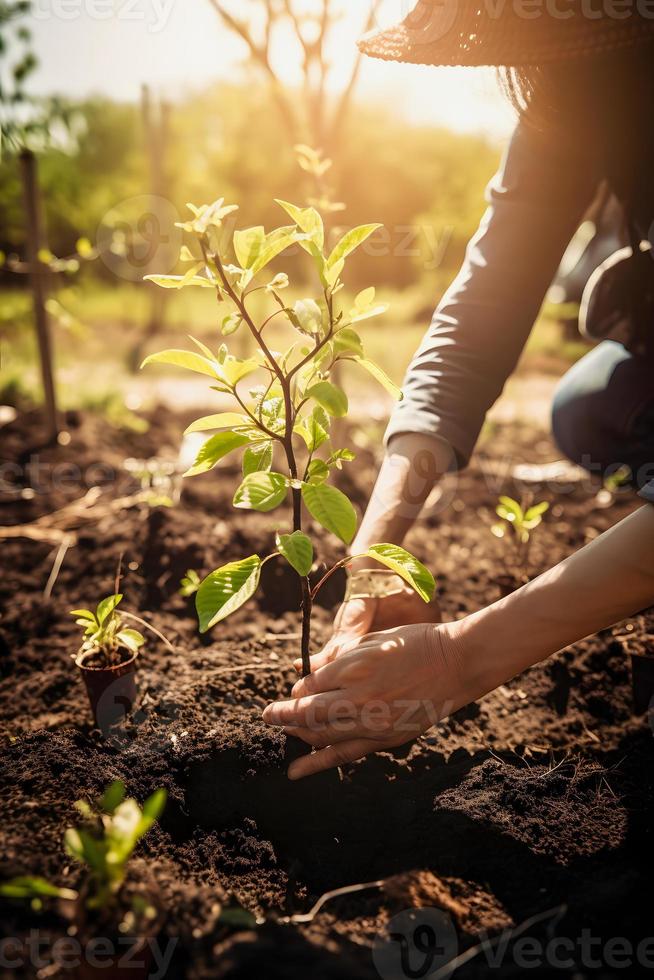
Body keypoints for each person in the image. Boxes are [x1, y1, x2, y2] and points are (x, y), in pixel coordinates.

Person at [263, 1, 654, 779]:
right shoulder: (578, 87)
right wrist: (377, 556)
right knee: (591, 407)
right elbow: (477, 319)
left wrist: (458, 660)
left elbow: (459, 658)